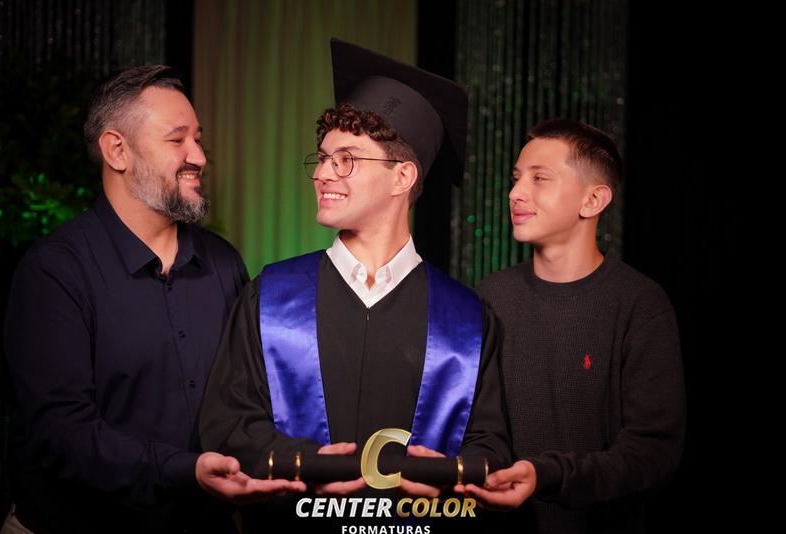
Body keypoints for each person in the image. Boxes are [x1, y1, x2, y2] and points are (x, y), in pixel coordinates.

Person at [198, 39, 511, 519]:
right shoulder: (272, 298)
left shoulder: (466, 320)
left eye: (345, 159)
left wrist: (449, 473)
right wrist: (305, 463)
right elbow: (227, 425)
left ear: (402, 177)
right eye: (322, 158)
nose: (323, 173)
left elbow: (490, 445)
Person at [2, 65, 303, 534]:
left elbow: (249, 401)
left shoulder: (224, 263)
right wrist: (185, 470)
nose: (198, 156)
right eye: (177, 139)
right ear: (117, 150)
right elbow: (61, 433)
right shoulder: (55, 271)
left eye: (197, 139)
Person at [462, 119, 686, 533]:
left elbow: (653, 454)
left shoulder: (640, 305)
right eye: (516, 178)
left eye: (539, 178)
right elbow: (471, 426)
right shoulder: (489, 298)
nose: (515, 193)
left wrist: (548, 475)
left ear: (593, 199)